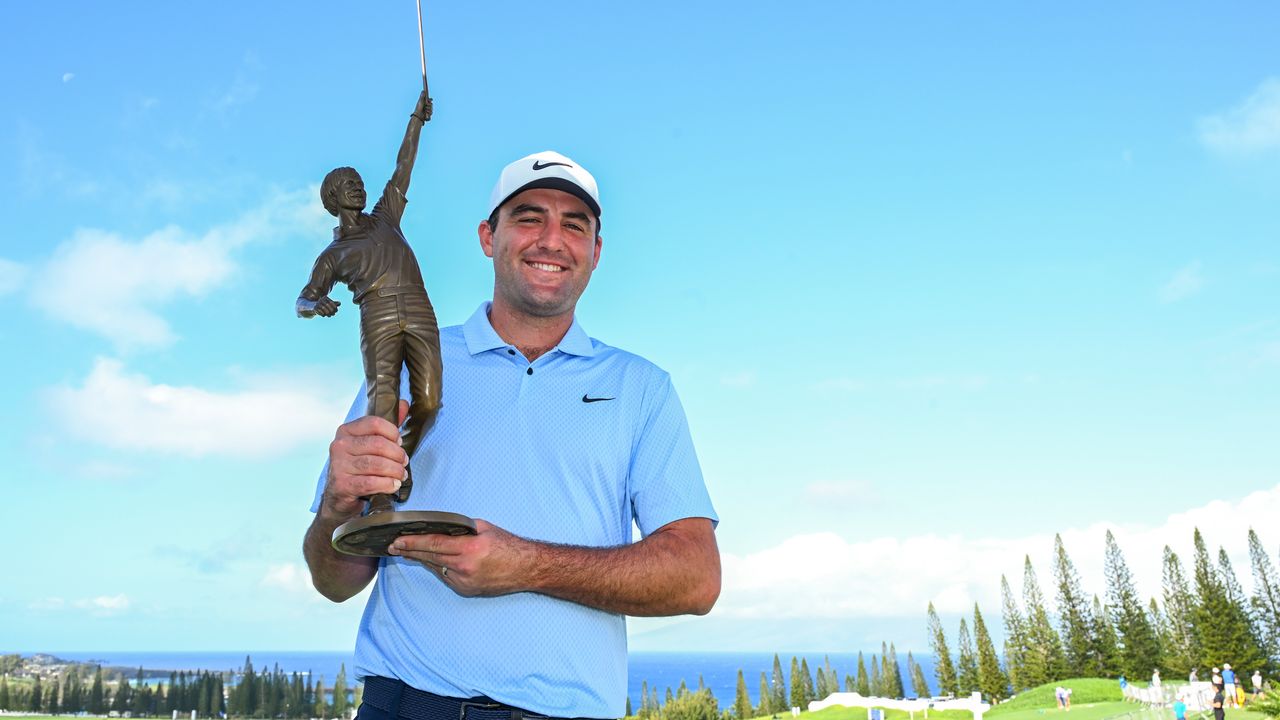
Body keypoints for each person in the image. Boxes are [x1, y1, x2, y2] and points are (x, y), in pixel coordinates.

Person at [303, 148, 721, 720]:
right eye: (528, 217)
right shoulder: (404, 361)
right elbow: (334, 579)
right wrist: (335, 504)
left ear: (595, 253)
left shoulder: (641, 388)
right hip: (408, 703)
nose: (552, 239)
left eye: (574, 225)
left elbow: (696, 578)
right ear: (487, 235)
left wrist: (524, 564)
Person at [297, 89, 441, 506]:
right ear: (332, 199)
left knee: (429, 401)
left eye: (359, 183)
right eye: (348, 185)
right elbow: (303, 298)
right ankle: (379, 495)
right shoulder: (334, 255)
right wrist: (314, 306)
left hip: (417, 306)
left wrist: (416, 120)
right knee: (382, 403)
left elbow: (403, 167)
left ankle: (401, 460)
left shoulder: (385, 218)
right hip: (377, 315)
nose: (358, 189)